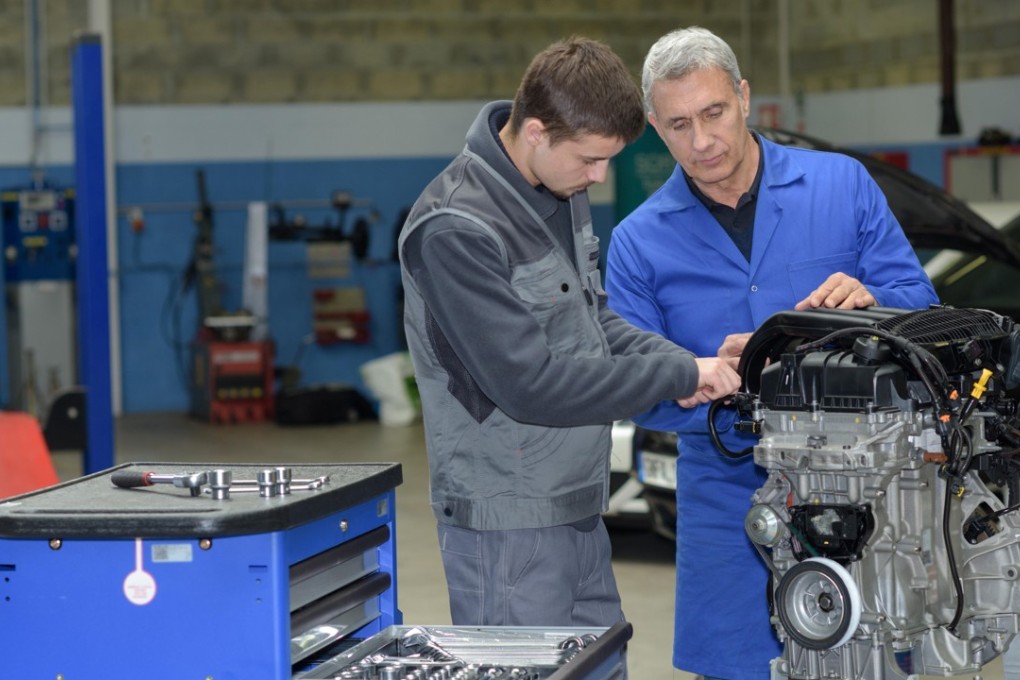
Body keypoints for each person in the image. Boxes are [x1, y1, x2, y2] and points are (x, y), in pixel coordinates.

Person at [604, 26, 939, 680]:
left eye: (713, 113)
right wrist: (725, 386)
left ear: (745, 97)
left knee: (871, 661)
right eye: (677, 125)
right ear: (653, 127)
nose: (701, 141)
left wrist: (872, 299)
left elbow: (921, 302)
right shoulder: (637, 243)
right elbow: (634, 388)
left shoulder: (841, 185)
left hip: (864, 494)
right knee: (738, 667)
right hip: (729, 503)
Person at [397, 35, 741, 633]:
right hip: (507, 525)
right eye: (589, 160)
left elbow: (593, 322)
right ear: (535, 131)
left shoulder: (556, 187)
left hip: (576, 504)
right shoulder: (455, 228)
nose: (600, 177)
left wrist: (696, 364)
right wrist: (680, 375)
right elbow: (531, 384)